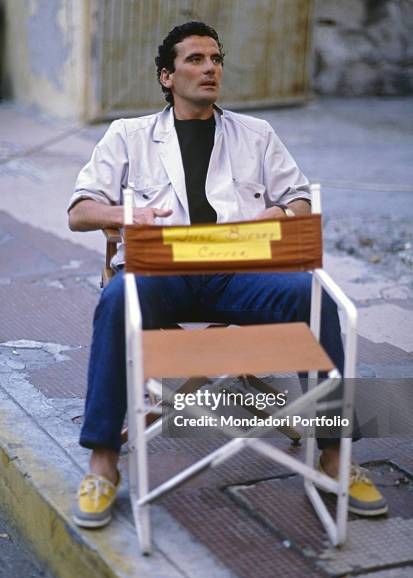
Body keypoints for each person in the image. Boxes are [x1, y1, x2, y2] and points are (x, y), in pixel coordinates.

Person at [68, 22, 387, 528]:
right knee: (116, 302)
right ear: (166, 76)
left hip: (239, 273)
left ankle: (335, 455)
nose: (210, 67)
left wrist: (278, 217)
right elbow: (80, 212)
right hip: (162, 274)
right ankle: (103, 462)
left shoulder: (255, 134)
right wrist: (125, 217)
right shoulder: (127, 136)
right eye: (195, 59)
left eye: (215, 58)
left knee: (316, 297)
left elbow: (298, 198)